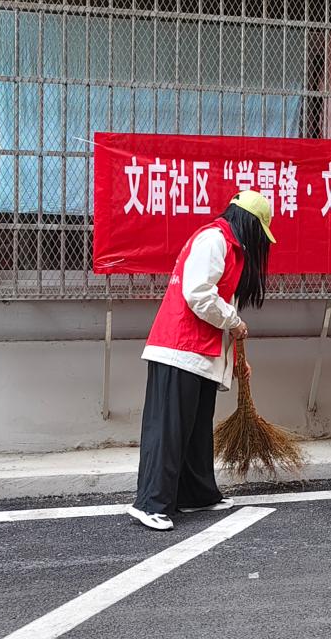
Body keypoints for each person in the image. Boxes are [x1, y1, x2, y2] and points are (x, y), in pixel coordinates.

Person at [127, 190, 276, 530]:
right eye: (260, 232)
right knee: (168, 430)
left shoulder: (231, 247)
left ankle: (195, 494)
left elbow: (217, 306)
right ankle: (150, 503)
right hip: (179, 349)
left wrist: (233, 358)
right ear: (250, 223)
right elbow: (198, 294)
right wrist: (234, 322)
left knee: (195, 430)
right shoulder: (214, 240)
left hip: (200, 353)